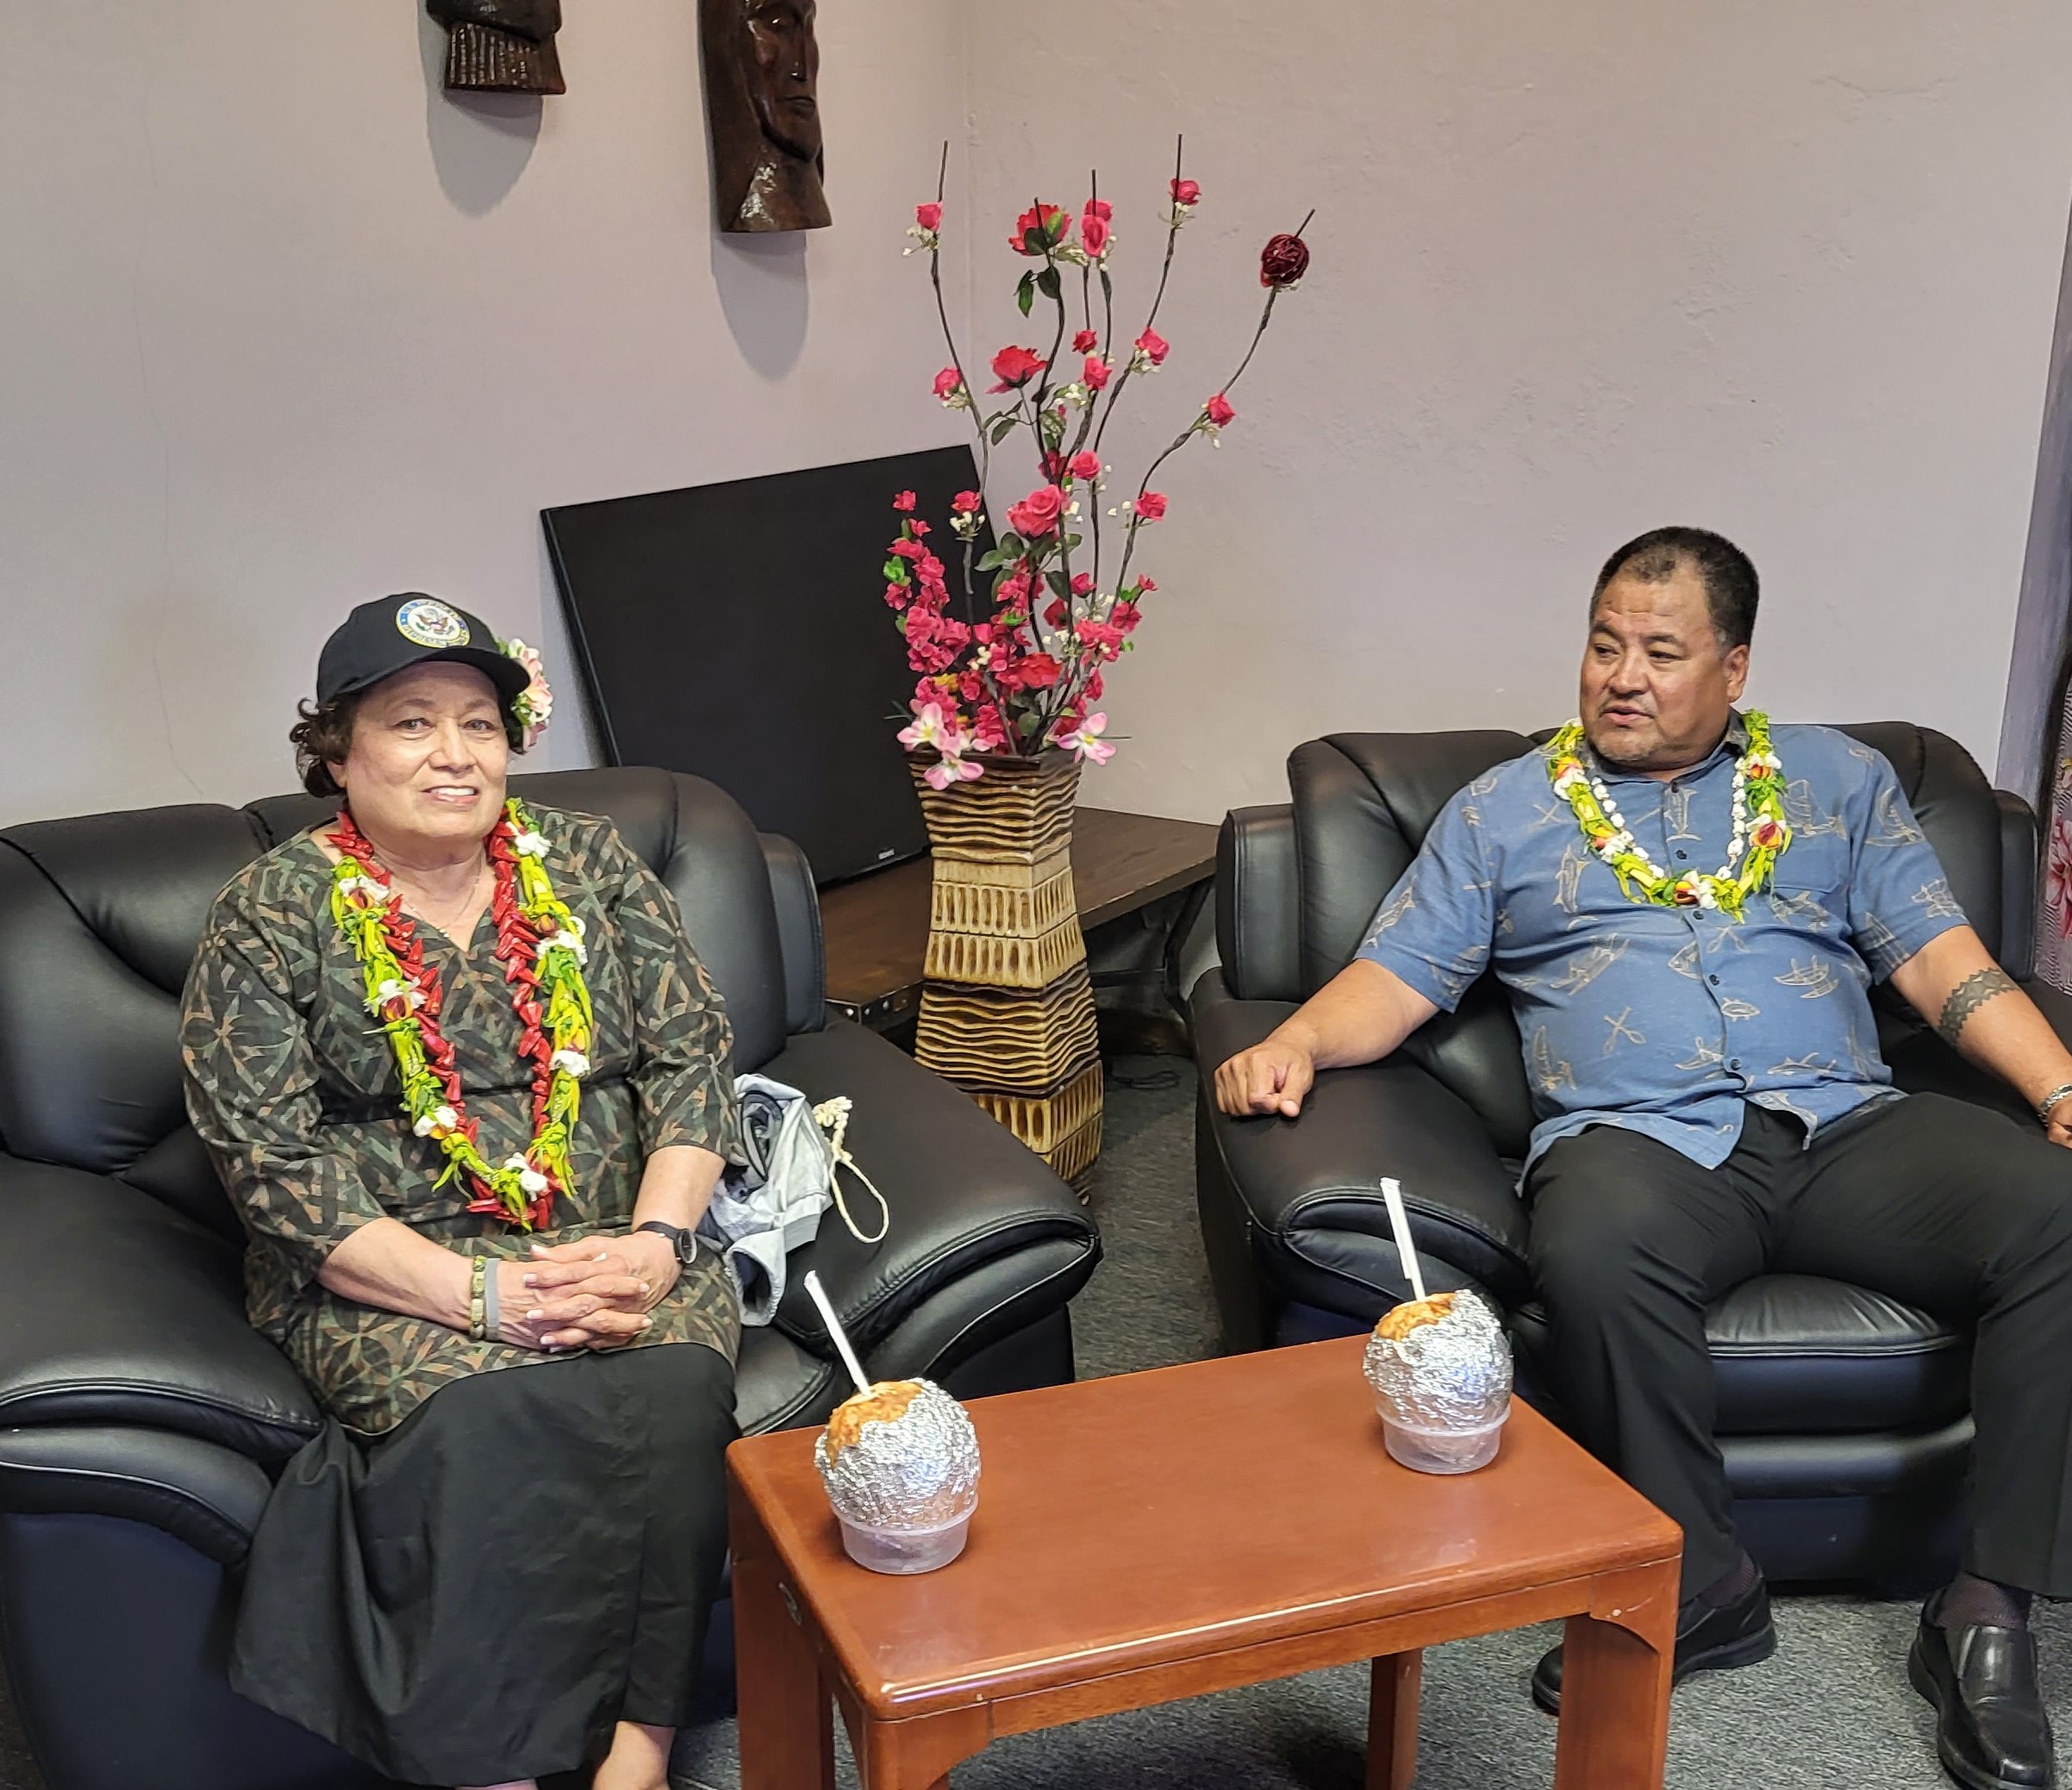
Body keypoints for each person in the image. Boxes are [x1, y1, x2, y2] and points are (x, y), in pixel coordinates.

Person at [1215, 527, 2072, 1790]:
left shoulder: (1834, 782)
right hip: (1641, 1142)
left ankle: (1989, 1613)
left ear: (1733, 668)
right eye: (1604, 642)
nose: (1621, 674)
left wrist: (2057, 1084)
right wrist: (1292, 1044)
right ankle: (1703, 1577)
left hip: (1846, 1122)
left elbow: (1941, 956)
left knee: (2059, 1208)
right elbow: (1397, 978)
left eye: (1661, 652)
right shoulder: (1505, 811)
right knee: (1593, 1241)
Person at [180, 593, 743, 1790]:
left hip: (610, 1242)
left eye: (480, 723)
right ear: (336, 753)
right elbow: (269, 1160)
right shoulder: (271, 913)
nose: (455, 752)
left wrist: (653, 1243)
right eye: (412, 722)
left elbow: (693, 1058)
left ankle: (636, 1762)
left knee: (674, 1386)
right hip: (387, 1276)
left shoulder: (587, 862)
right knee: (492, 1418)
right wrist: (480, 1300)